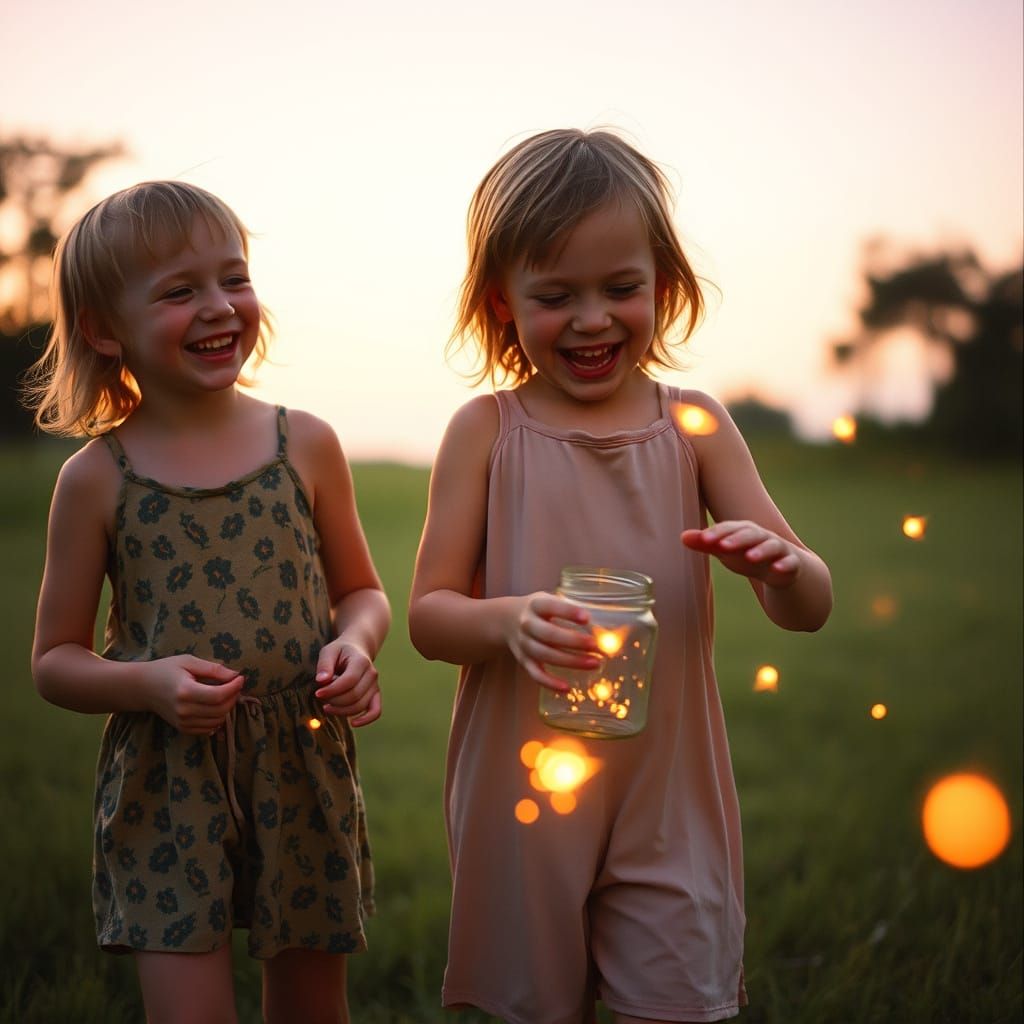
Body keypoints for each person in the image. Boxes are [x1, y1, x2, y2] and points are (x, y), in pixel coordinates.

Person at [408, 128, 833, 1024]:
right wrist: (510, 619)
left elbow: (808, 608)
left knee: (676, 998)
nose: (593, 318)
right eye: (556, 296)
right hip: (521, 800)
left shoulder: (697, 426)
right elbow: (429, 617)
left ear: (665, 287)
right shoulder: (486, 431)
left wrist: (785, 567)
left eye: (622, 289)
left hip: (669, 795)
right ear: (503, 302)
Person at [26, 181, 390, 1024]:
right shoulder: (95, 480)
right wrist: (148, 684)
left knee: (311, 1010)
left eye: (234, 278)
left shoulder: (306, 443)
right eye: (180, 291)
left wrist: (358, 647)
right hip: (168, 777)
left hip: (301, 760)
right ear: (102, 328)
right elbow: (54, 662)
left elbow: (362, 593)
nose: (220, 307)